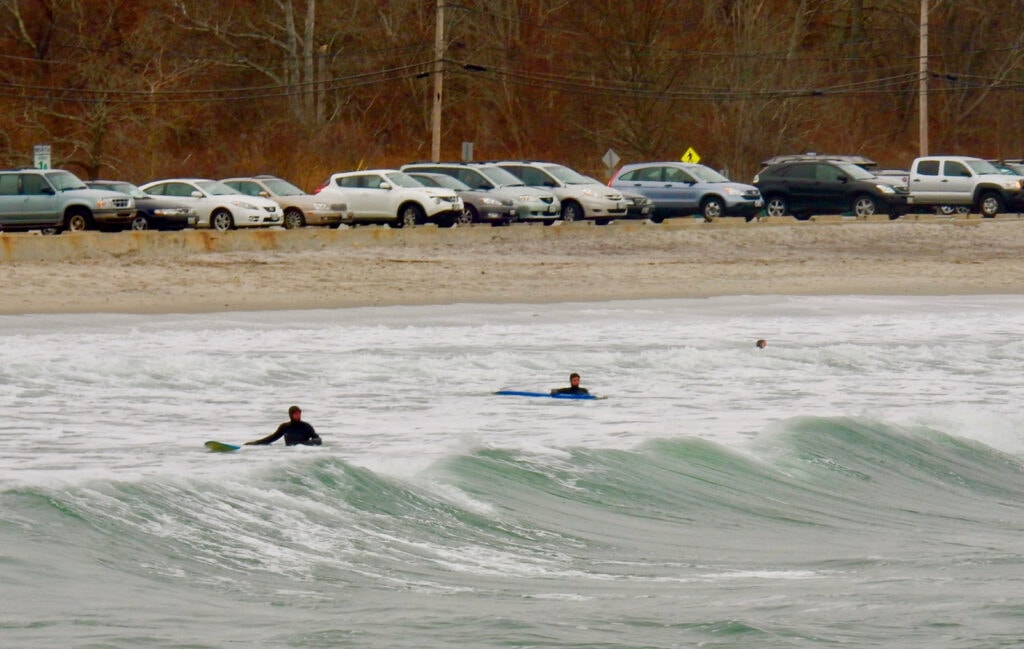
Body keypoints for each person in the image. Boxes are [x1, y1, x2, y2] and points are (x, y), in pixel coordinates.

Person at [245, 405, 322, 446]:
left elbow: (318, 440)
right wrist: (254, 443)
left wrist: (305, 444)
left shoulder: (306, 426)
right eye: (296, 414)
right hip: (289, 454)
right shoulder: (285, 427)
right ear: (291, 415)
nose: (298, 415)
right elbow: (272, 438)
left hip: (303, 453)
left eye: (299, 413)